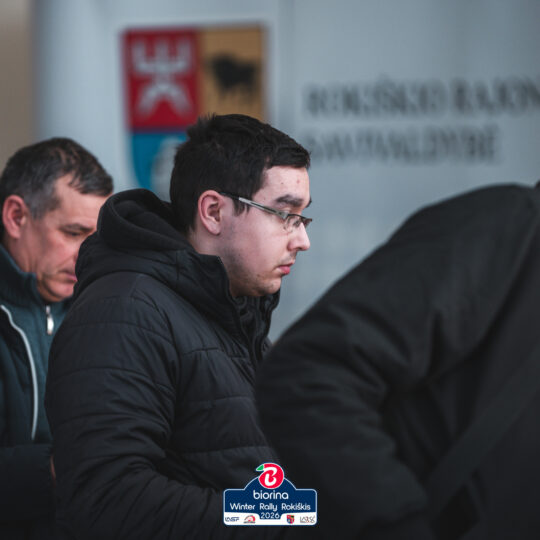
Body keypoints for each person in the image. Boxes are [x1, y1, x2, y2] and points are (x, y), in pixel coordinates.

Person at [45, 113, 312, 539]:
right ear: (213, 211)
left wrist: (308, 508)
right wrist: (279, 518)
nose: (301, 240)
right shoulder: (125, 311)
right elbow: (108, 500)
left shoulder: (233, 311)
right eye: (284, 214)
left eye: (302, 218)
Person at [256, 182, 540, 540]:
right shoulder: (511, 228)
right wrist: (394, 522)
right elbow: (307, 373)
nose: (302, 241)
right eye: (284, 214)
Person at [0, 137, 113, 540]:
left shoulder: (105, 313)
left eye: (97, 238)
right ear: (16, 217)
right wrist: (59, 469)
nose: (88, 254)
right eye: (73, 232)